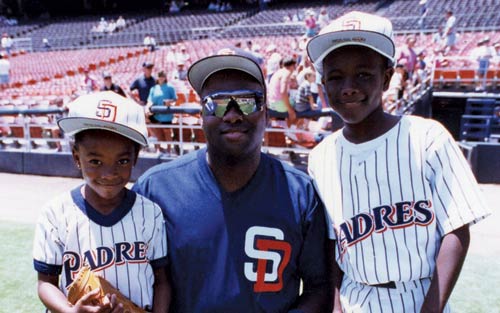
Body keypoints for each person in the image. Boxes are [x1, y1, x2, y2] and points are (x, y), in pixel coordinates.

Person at [306, 11, 491, 312]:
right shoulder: (320, 157)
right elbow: (332, 244)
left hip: (421, 294)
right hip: (357, 297)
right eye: (335, 77)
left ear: (388, 77)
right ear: (323, 83)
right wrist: (336, 305)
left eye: (364, 74)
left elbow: (456, 231)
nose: (348, 87)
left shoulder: (428, 137)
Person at [133, 54, 332, 313]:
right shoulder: (155, 190)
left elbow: (319, 287)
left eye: (247, 102)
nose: (233, 115)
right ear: (201, 114)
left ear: (267, 113)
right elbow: (133, 281)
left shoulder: (301, 192)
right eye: (218, 103)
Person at [33, 91, 170, 313]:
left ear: (135, 157)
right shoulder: (55, 213)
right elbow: (45, 282)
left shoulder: (149, 212)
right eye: (95, 161)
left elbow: (162, 280)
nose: (109, 173)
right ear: (77, 157)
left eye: (122, 160)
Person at [146, 70, 177, 154]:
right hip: (156, 114)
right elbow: (149, 100)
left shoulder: (170, 87)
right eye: (159, 76)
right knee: (157, 132)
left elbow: (174, 99)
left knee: (167, 132)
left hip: (166, 115)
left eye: (163, 76)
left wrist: (169, 102)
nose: (161, 78)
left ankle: (169, 150)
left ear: (165, 77)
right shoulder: (153, 88)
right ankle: (158, 149)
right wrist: (148, 106)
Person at [268, 56, 298, 125]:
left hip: (272, 104)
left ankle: (287, 129)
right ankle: (291, 130)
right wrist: (290, 110)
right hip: (279, 104)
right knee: (302, 105)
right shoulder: (286, 73)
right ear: (292, 66)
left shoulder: (277, 72)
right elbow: (283, 92)